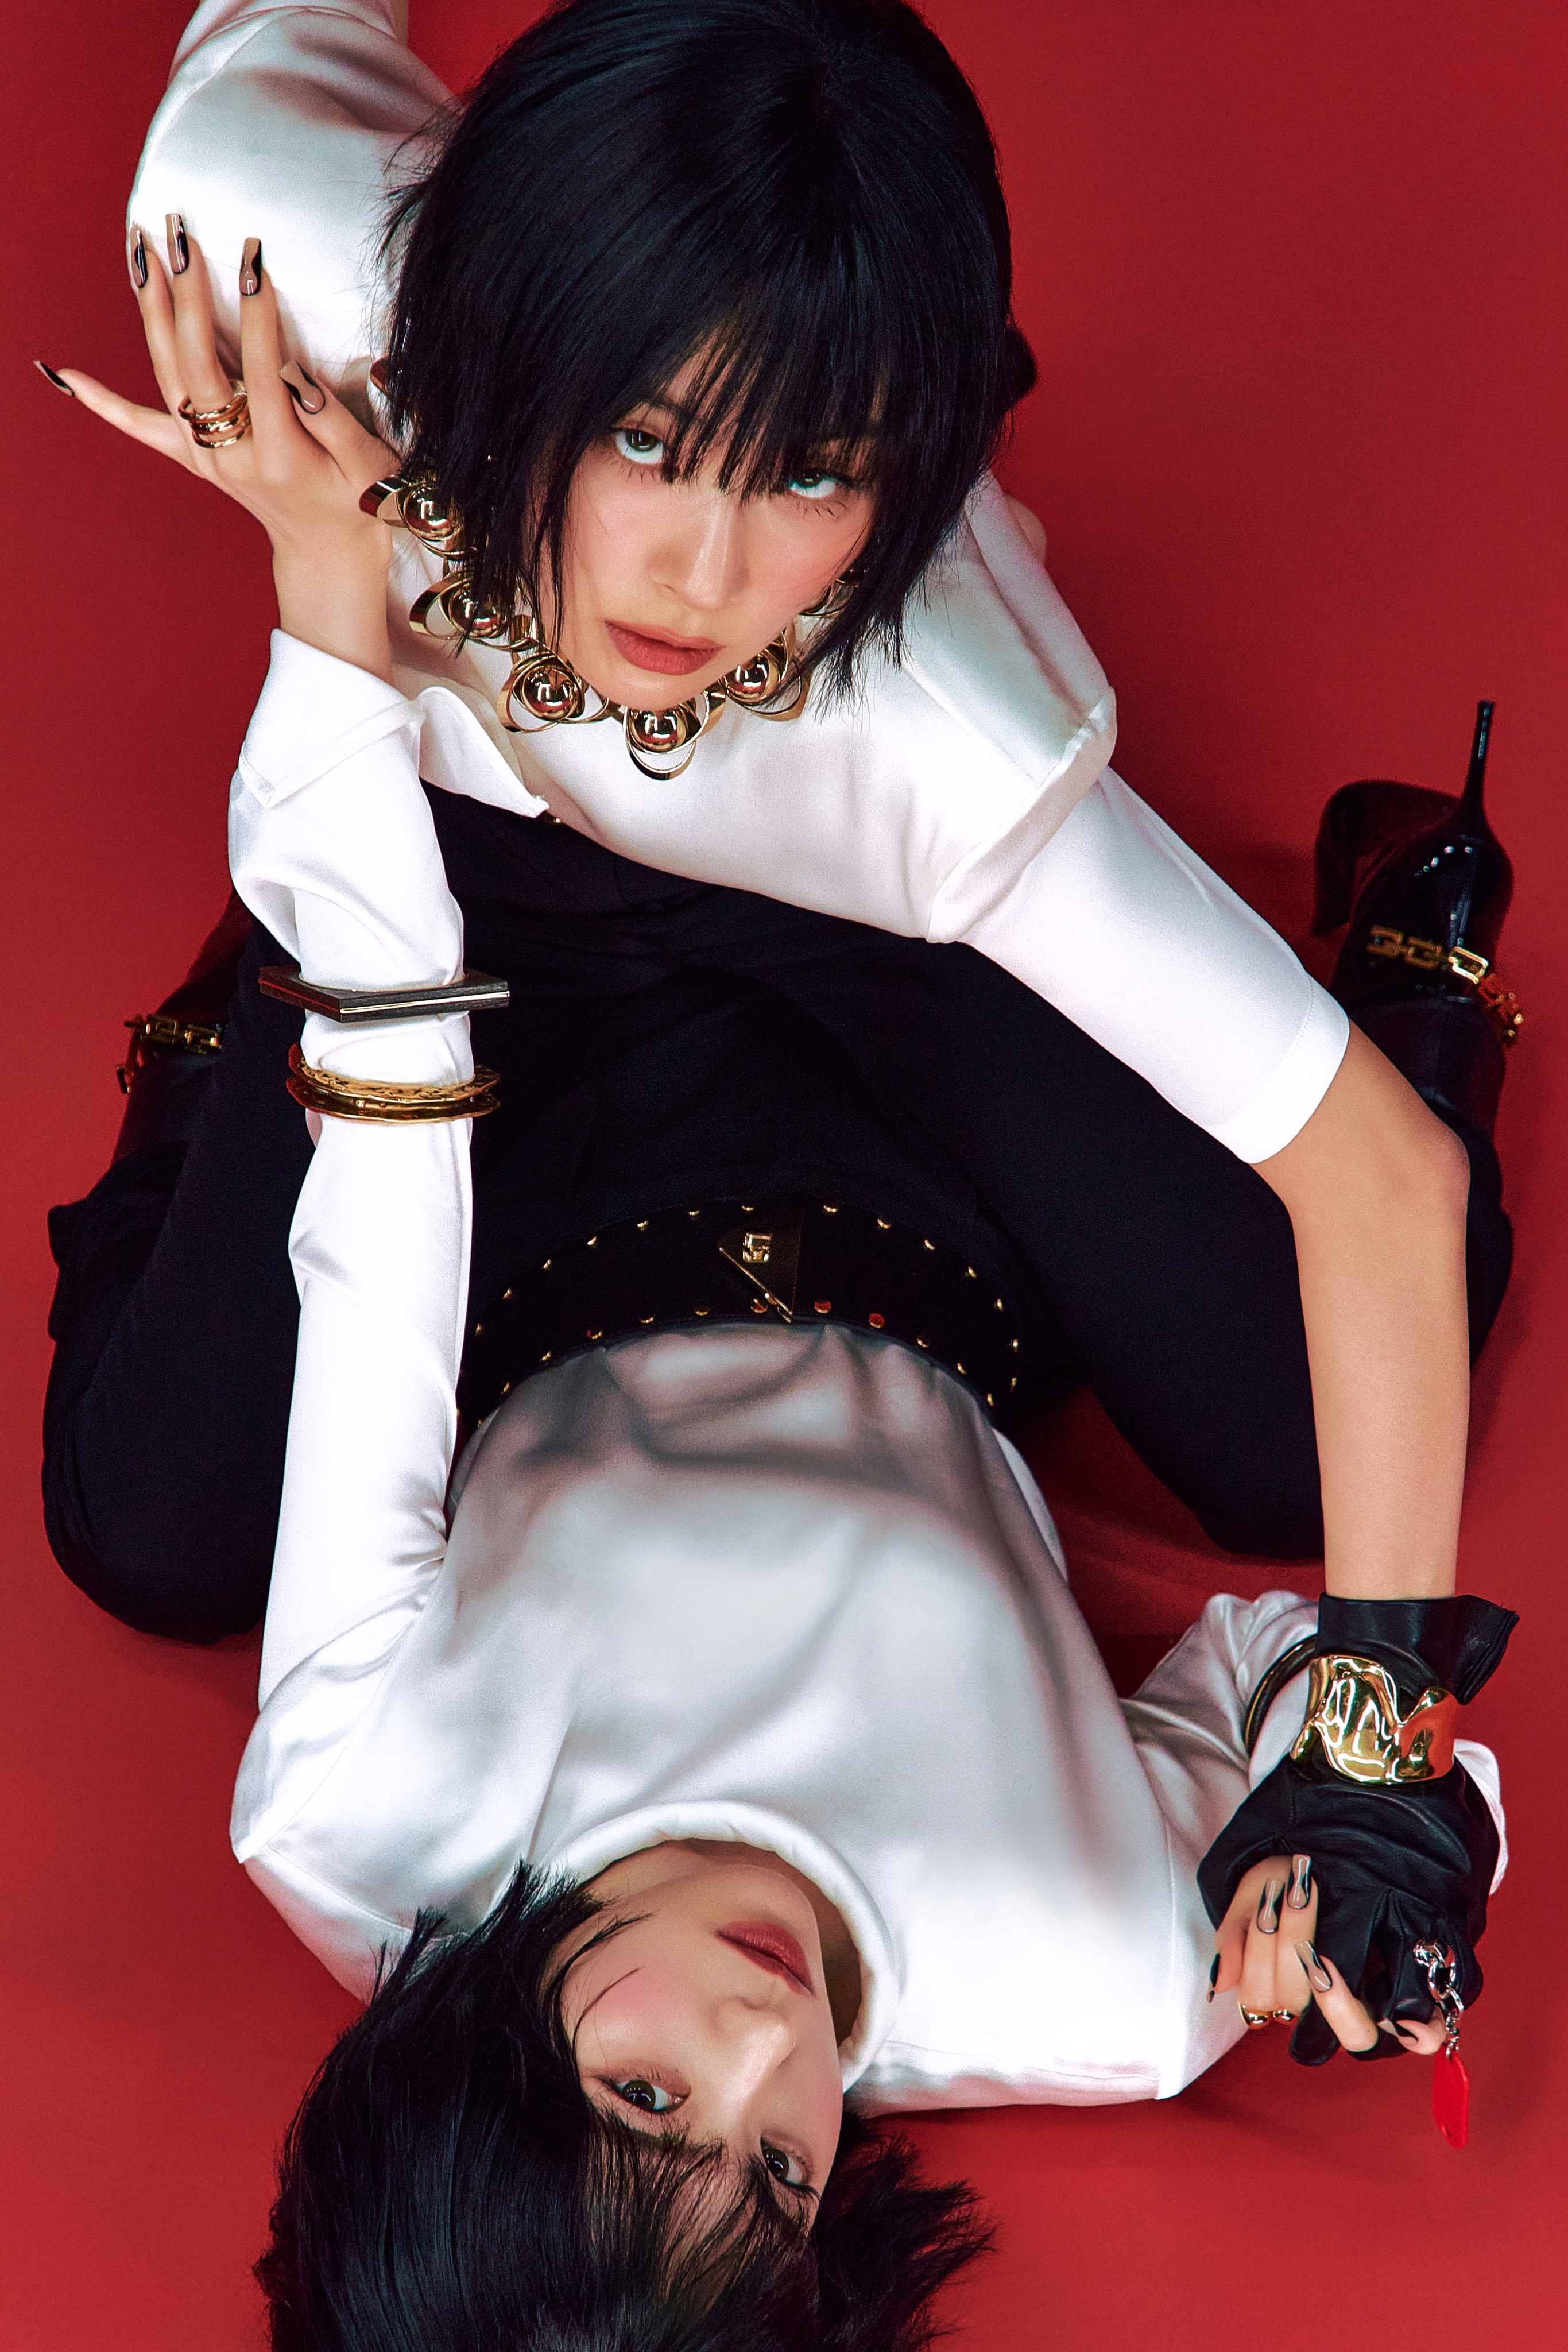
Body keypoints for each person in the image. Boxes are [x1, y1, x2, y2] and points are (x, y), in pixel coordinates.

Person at [37, 0, 1519, 2338]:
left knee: (142, 1516)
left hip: (536, 1027)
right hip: (897, 1118)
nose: (757, 2045)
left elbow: (394, 1192)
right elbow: (1370, 1277)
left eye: (642, 2098)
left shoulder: (359, 1818)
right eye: (777, 2166)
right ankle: (1411, 943)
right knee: (1305, 1434)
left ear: (450, 2066)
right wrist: (1373, 1782)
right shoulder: (1089, 1977)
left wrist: (332, 628)